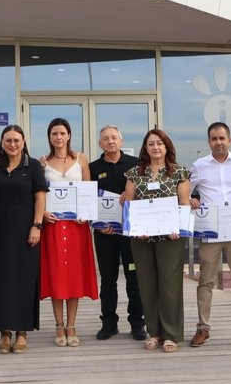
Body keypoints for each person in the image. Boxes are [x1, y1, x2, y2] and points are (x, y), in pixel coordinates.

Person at [188, 122, 231, 349]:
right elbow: (185, 192)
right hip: (210, 228)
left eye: (221, 138)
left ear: (229, 140)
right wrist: (190, 200)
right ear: (209, 141)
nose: (218, 142)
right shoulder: (199, 166)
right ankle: (203, 328)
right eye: (213, 138)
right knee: (205, 280)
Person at [122, 129, 191, 353]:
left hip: (170, 237)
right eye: (150, 144)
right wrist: (135, 228)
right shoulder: (134, 173)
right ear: (145, 148)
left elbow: (184, 203)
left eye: (159, 143)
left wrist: (178, 227)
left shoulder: (179, 172)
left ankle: (171, 334)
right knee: (147, 283)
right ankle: (154, 332)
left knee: (170, 285)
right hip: (142, 238)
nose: (155, 147)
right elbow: (128, 204)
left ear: (166, 146)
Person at [0, 124, 47, 354]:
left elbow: (40, 198)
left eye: (16, 140)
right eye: (8, 140)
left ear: (23, 142)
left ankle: (22, 331)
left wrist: (37, 226)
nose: (12, 144)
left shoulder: (33, 167)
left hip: (25, 230)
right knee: (1, 280)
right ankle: (4, 331)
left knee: (24, 279)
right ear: (2, 142)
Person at [39, 118, 98, 347]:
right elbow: (38, 194)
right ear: (50, 137)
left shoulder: (80, 159)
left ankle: (72, 324)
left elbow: (87, 191)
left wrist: (86, 212)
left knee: (73, 276)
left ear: (69, 135)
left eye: (62, 133)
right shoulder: (42, 162)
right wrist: (43, 212)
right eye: (54, 133)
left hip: (76, 227)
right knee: (56, 276)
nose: (59, 137)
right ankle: (58, 325)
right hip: (53, 227)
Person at [88, 125, 145, 341]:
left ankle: (138, 323)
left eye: (114, 138)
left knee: (134, 278)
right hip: (105, 234)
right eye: (105, 138)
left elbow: (144, 193)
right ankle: (109, 323)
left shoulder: (135, 165)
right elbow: (87, 200)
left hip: (131, 234)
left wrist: (130, 194)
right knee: (108, 279)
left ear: (121, 141)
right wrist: (98, 224)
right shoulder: (93, 168)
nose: (110, 141)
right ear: (100, 144)